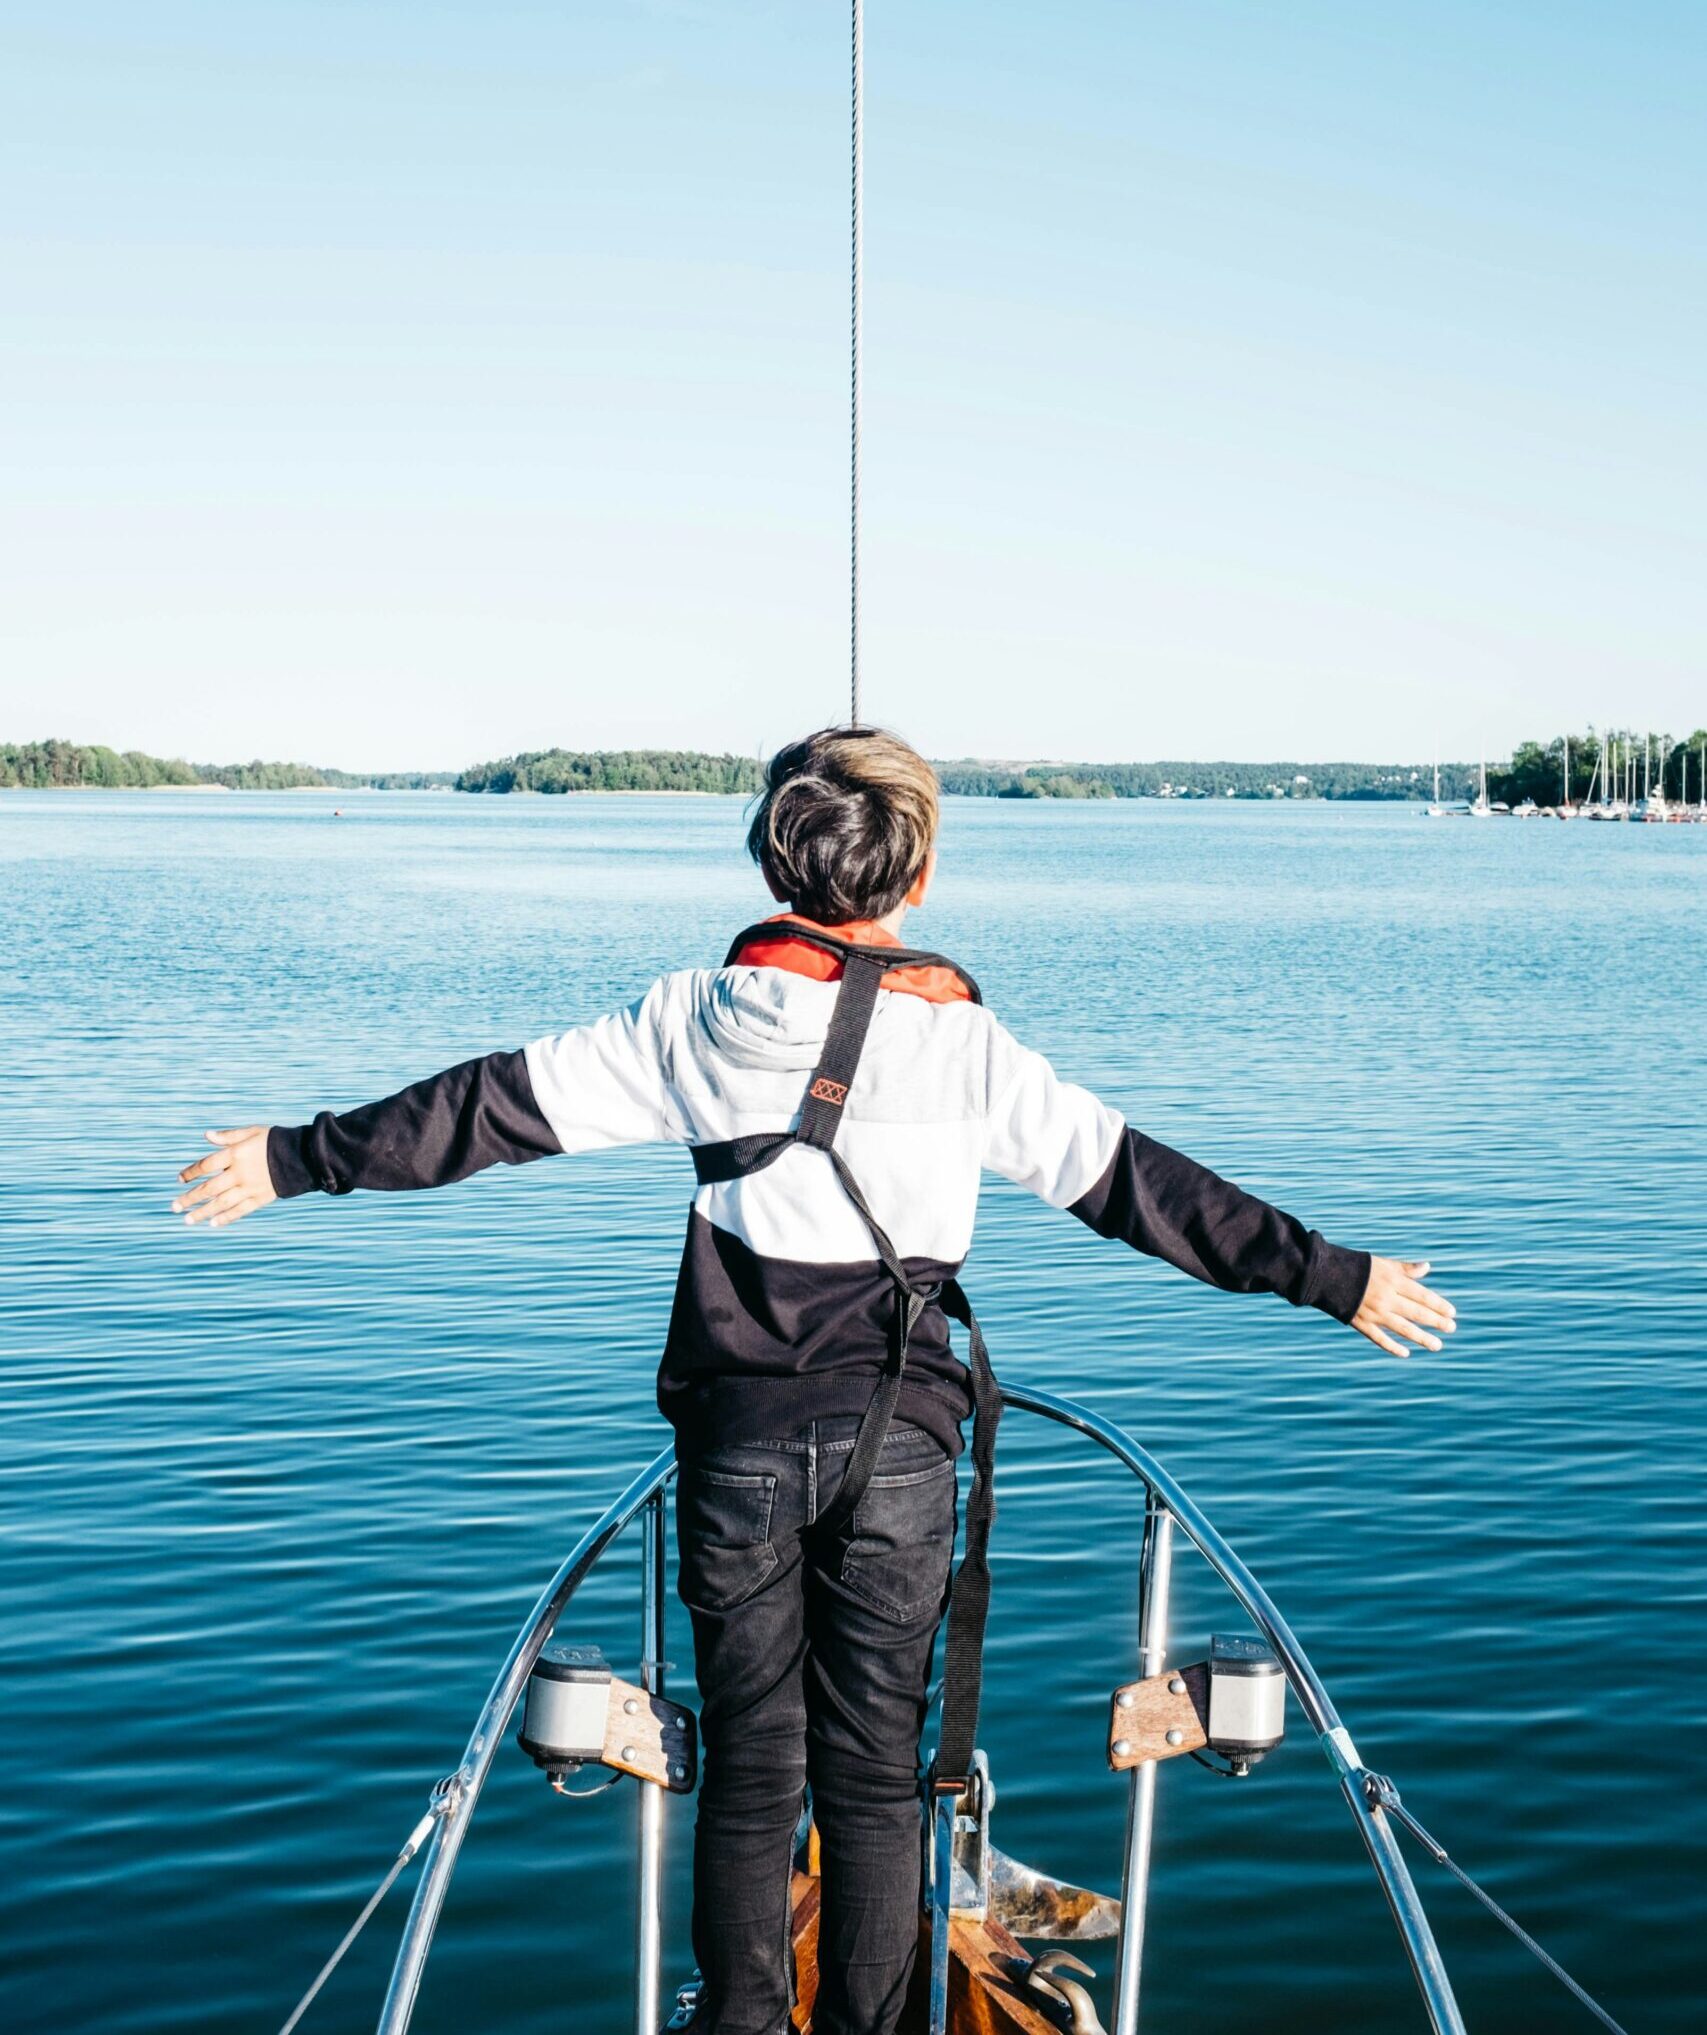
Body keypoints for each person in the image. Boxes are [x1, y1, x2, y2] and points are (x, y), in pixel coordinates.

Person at [171, 725, 1455, 2035]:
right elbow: (1143, 1189)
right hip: (902, 1446)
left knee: (749, 1773)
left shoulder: (695, 1016)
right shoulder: (972, 1049)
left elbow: (484, 1110)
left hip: (739, 1447)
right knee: (873, 1778)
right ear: (920, 870)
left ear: (770, 856)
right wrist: (1333, 1276)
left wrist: (291, 1158)